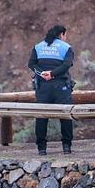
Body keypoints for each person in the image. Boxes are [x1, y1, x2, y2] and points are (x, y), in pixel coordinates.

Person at [29, 24, 75, 156]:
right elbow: (66, 65)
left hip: (43, 86)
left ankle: (41, 148)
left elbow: (31, 64)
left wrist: (42, 73)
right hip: (61, 86)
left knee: (42, 117)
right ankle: (66, 147)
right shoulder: (66, 47)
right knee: (66, 115)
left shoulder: (38, 46)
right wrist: (53, 74)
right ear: (62, 35)